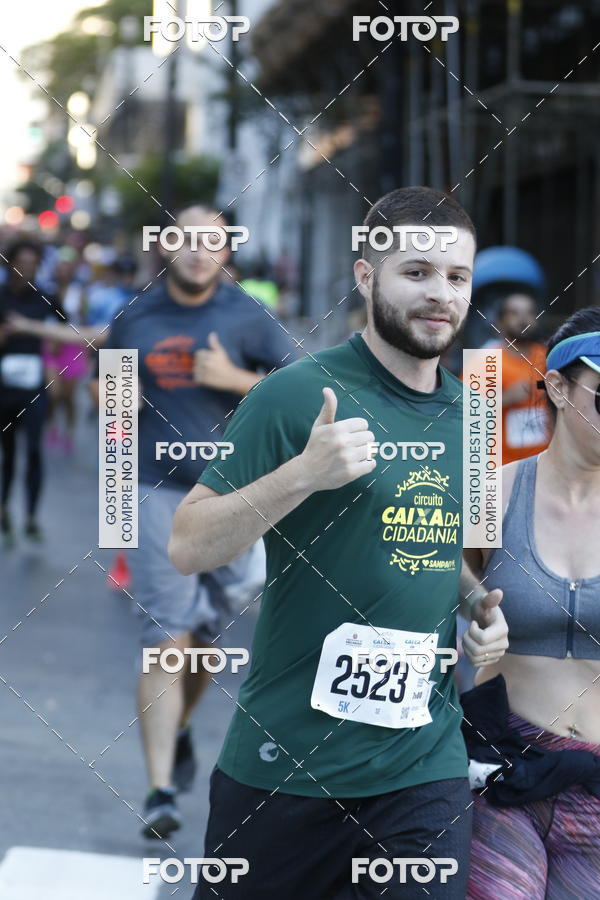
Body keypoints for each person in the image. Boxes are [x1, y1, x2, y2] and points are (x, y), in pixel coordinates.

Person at [168, 186, 509, 899]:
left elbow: (434, 546)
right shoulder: (297, 394)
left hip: (421, 766)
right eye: (416, 272)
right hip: (284, 766)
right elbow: (189, 544)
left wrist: (480, 605)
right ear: (366, 276)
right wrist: (302, 474)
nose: (440, 294)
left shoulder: (475, 420)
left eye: (456, 276)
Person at [101, 204, 296, 840]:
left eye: (211, 240)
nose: (197, 250)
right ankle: (159, 790)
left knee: (204, 641)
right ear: (167, 245)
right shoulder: (135, 316)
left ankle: (180, 728)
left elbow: (299, 395)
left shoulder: (248, 317)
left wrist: (234, 378)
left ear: (226, 250)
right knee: (168, 637)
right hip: (154, 494)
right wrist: (116, 517)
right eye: (185, 238)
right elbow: (113, 416)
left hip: (230, 500)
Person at [463, 307, 600, 898]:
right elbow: (437, 586)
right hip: (507, 766)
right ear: (561, 389)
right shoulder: (494, 490)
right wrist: (473, 615)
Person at [0, 238, 65, 542]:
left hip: (34, 386)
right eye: (21, 262)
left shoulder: (45, 297)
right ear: (10, 263)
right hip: (4, 387)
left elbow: (67, 328)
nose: (26, 268)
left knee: (35, 451)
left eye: (32, 263)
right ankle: (4, 510)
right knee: (8, 453)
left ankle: (31, 517)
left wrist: (52, 353)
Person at [485, 292, 551, 463]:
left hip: (544, 464)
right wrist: (505, 399)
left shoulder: (550, 358)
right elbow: (464, 413)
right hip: (500, 466)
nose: (523, 319)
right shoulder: (484, 362)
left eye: (529, 313)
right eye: (514, 313)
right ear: (500, 321)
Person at [43, 246, 88, 454]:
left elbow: (83, 319)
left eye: (67, 266)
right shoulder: (47, 289)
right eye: (60, 265)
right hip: (51, 343)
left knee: (68, 396)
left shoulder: (79, 291)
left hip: (72, 345)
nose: (63, 269)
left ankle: (68, 432)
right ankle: (51, 426)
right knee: (53, 393)